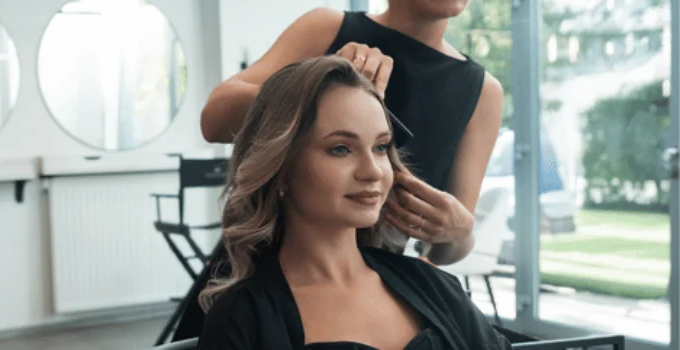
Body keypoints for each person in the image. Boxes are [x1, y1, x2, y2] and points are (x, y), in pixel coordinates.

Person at [171, 0, 504, 341]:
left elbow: (442, 250)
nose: (373, 171)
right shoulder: (327, 28)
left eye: (381, 147)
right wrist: (315, 85)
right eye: (340, 148)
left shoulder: (482, 93)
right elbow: (214, 120)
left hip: (376, 294)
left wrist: (462, 233)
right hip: (258, 295)